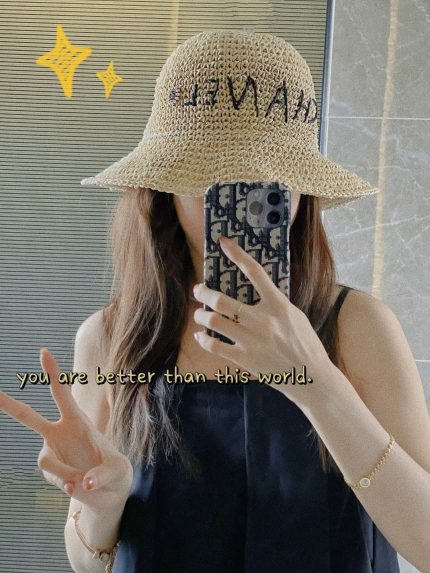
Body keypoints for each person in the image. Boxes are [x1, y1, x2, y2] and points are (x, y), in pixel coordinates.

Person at [1, 29, 430, 573]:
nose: (239, 207)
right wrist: (101, 503)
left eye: (267, 184)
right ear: (163, 190)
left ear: (300, 192)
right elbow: (90, 562)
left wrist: (319, 385)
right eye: (214, 183)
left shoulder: (359, 327)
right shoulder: (111, 338)